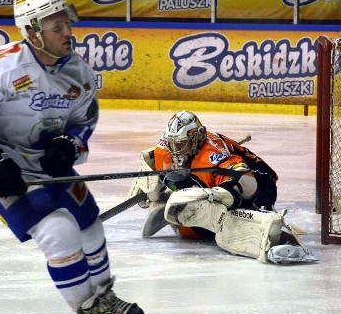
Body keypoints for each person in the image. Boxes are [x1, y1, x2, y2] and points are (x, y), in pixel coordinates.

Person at [0, 0, 145, 314]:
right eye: (57, 26)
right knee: (59, 232)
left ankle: (103, 296)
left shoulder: (78, 72)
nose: (68, 32)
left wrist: (71, 144)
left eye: (67, 23)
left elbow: (85, 120)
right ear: (33, 32)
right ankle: (89, 313)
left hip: (48, 167)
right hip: (6, 172)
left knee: (90, 225)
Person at [128, 111, 317, 265]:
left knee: (213, 215)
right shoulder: (171, 146)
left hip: (259, 188)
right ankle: (177, 204)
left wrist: (214, 195)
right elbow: (153, 155)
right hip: (207, 181)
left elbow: (248, 183)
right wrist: (150, 178)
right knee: (178, 185)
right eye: (172, 144)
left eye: (180, 145)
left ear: (195, 140)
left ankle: (266, 228)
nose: (175, 150)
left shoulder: (213, 156)